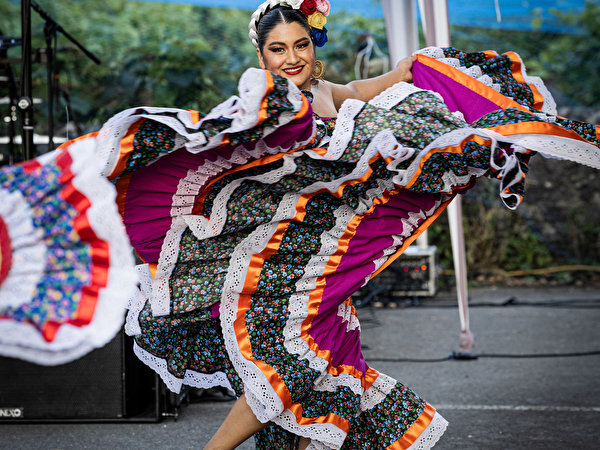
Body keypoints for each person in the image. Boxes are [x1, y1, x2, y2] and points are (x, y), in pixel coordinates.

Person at [47, 1, 600, 449]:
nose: (292, 58)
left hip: (323, 255)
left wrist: (418, 69)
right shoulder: (259, 106)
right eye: (278, 49)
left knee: (317, 364)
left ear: (316, 47)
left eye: (301, 45)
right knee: (293, 357)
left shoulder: (328, 94)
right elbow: (213, 151)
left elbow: (370, 89)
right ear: (261, 55)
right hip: (270, 251)